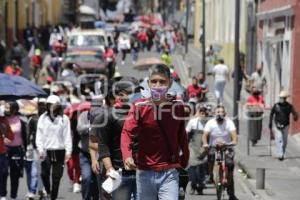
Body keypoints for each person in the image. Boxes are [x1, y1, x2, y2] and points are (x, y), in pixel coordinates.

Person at [121, 64, 189, 200]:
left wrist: (184, 160)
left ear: (170, 83)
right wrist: (127, 156)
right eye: (154, 81)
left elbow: (181, 135)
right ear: (148, 83)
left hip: (169, 172)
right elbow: (127, 132)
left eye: (162, 82)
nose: (158, 85)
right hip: (145, 172)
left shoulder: (178, 107)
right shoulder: (139, 107)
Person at [91, 77, 140, 200]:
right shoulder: (107, 116)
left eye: (138, 92)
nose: (136, 95)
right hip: (120, 173)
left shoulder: (144, 114)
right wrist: (109, 168)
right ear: (120, 94)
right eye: (132, 92)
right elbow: (102, 144)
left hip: (143, 173)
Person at [36, 95, 73, 200]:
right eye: (49, 104)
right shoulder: (43, 118)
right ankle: (47, 191)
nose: (51, 106)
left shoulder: (64, 119)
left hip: (59, 151)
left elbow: (67, 136)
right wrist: (40, 149)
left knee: (56, 178)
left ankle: (53, 197)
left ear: (58, 105)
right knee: (44, 173)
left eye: (53, 104)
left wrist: (68, 151)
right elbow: (39, 135)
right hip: (46, 151)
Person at [202, 105, 238, 200]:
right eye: (217, 112)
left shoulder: (229, 123)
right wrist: (205, 143)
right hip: (213, 147)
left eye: (221, 112)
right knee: (208, 160)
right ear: (214, 113)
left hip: (226, 147)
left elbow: (234, 136)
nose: (219, 114)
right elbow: (205, 135)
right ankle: (210, 175)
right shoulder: (210, 123)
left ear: (225, 114)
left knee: (230, 164)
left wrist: (232, 142)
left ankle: (231, 191)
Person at [4, 101, 27, 200]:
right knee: (3, 173)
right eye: (5, 107)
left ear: (14, 109)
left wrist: (26, 150)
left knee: (15, 174)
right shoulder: (2, 119)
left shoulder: (21, 120)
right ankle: (2, 195)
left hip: (17, 150)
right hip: (3, 150)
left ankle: (14, 196)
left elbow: (25, 136)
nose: (6, 110)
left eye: (8, 108)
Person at [25, 98, 47, 199]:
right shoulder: (33, 119)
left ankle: (41, 189)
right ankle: (34, 190)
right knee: (35, 168)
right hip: (36, 147)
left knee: (42, 169)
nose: (42, 107)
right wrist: (27, 146)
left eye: (43, 105)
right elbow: (28, 134)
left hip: (46, 147)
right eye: (40, 105)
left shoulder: (48, 119)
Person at [269, 91, 298, 161]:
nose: (281, 99)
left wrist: (295, 116)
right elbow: (271, 114)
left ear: (285, 99)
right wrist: (270, 123)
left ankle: (282, 152)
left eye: (282, 98)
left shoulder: (289, 106)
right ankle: (280, 154)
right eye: (280, 98)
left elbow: (294, 113)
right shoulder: (276, 106)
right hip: (277, 125)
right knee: (279, 139)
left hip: (286, 125)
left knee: (285, 141)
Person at [186, 105, 208, 195]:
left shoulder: (208, 123)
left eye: (204, 113)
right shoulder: (192, 122)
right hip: (193, 147)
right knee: (192, 166)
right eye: (201, 113)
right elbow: (187, 133)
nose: (202, 115)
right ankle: (193, 185)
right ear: (198, 113)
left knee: (201, 168)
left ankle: (201, 186)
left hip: (203, 147)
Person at [0, 111, 14, 200]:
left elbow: (11, 135)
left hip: (2, 152)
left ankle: (2, 194)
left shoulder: (3, 120)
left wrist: (7, 138)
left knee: (4, 173)